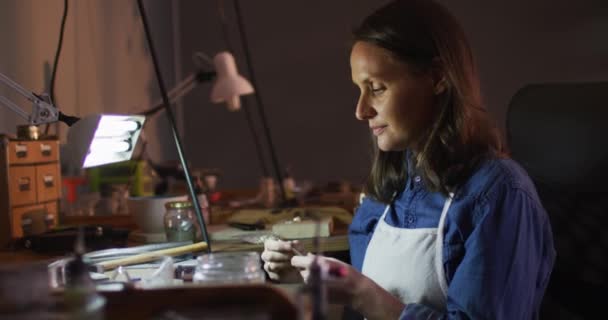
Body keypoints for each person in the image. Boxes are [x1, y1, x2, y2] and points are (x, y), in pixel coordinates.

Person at [262, 0, 556, 318]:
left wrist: (361, 293)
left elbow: (369, 296)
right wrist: (308, 275)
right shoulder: (388, 190)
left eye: (377, 88)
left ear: (438, 77)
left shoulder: (499, 194)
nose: (361, 111)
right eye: (358, 90)